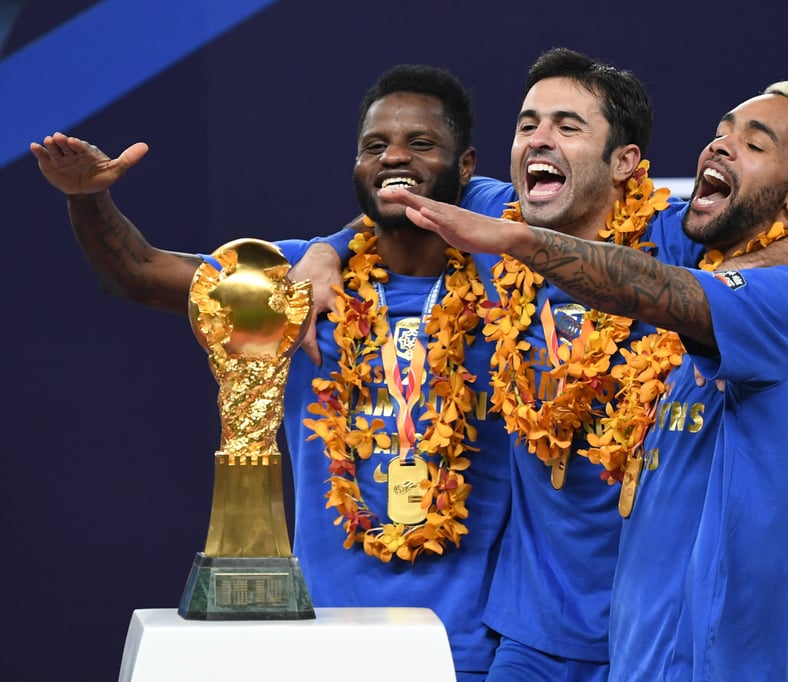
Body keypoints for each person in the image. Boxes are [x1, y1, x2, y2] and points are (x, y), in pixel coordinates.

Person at [300, 49, 788, 680]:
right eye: (527, 125)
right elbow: (402, 196)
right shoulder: (499, 216)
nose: (538, 140)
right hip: (537, 631)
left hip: (661, 633)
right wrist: (325, 253)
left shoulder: (677, 245)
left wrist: (716, 283)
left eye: (568, 127)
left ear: (624, 162)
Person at [30, 65, 511, 681]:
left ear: (465, 164)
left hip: (471, 649)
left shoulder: (508, 285)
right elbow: (137, 273)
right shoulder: (289, 285)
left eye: (420, 144)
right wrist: (87, 197)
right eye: (375, 146)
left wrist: (332, 243)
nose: (395, 158)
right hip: (327, 640)